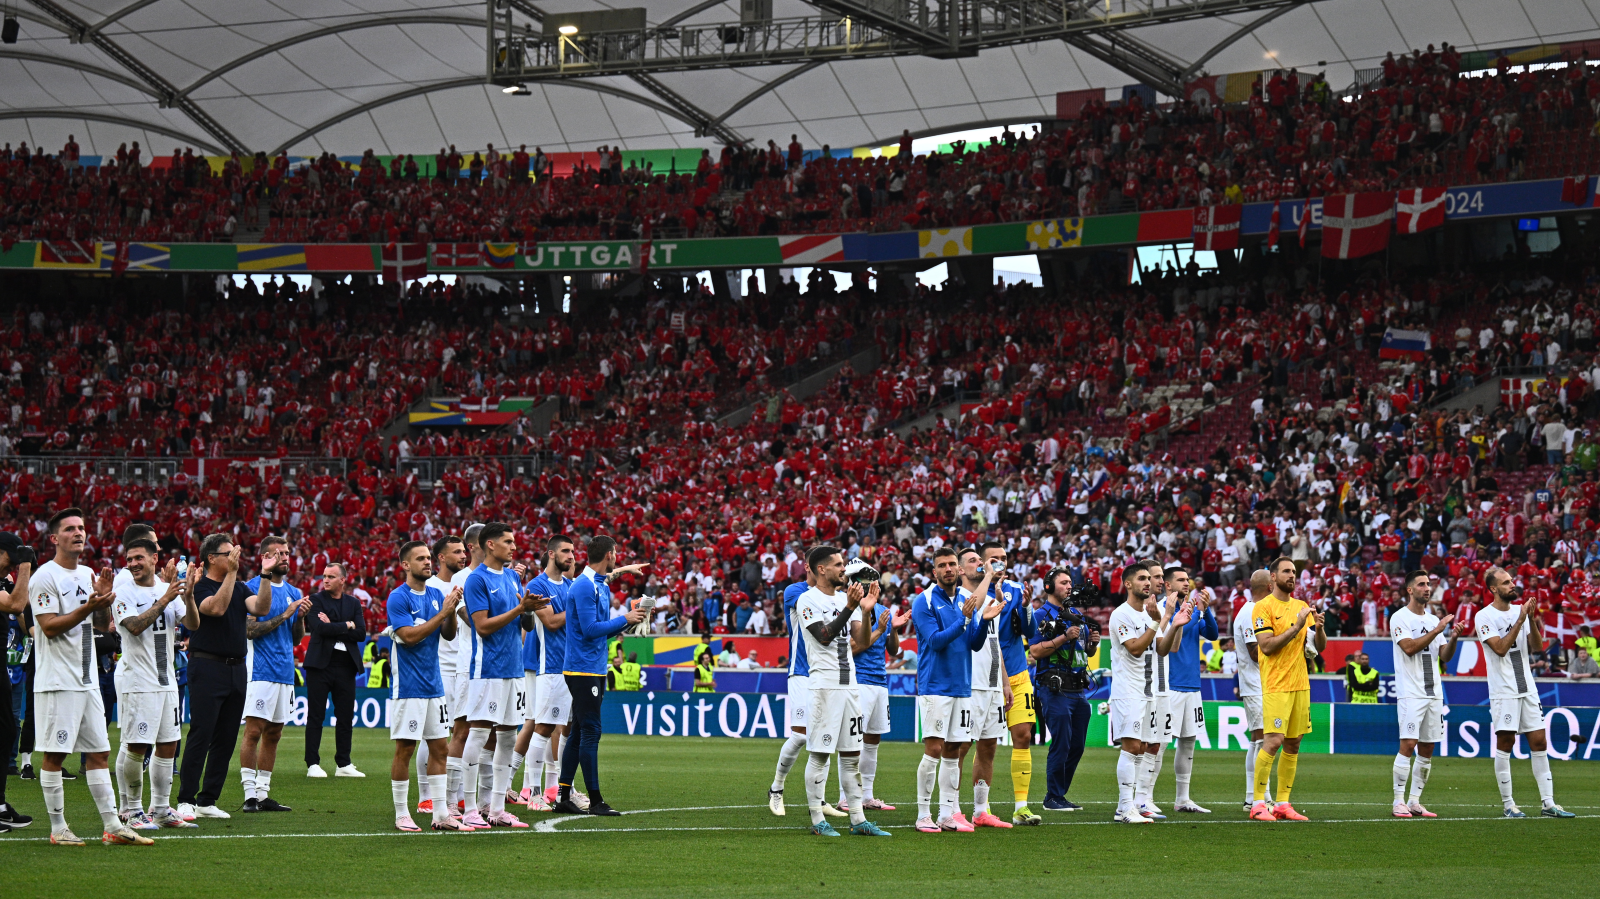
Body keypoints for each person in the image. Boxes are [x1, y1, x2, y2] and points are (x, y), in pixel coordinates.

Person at [32, 508, 150, 845]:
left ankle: (113, 826)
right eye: (70, 529)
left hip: (87, 679)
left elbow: (98, 628)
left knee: (99, 753)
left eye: (82, 528)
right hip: (58, 680)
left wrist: (101, 600)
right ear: (55, 538)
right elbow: (49, 626)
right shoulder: (45, 576)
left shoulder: (86, 573)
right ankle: (58, 829)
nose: (78, 533)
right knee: (55, 755)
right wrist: (87, 606)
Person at [794, 546, 891, 837]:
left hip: (851, 685)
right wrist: (850, 608)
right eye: (837, 565)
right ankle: (817, 821)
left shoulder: (843, 598)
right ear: (821, 569)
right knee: (821, 755)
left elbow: (861, 643)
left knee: (851, 756)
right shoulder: (807, 600)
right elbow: (823, 637)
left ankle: (859, 821)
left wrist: (865, 611)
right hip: (825, 685)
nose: (843, 570)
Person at [461, 522, 546, 828]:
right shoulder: (477, 580)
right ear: (490, 545)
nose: (513, 546)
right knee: (480, 734)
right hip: (489, 669)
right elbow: (482, 626)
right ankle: (470, 808)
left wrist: (529, 609)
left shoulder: (512, 577)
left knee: (508, 739)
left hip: (514, 668)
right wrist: (519, 607)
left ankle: (496, 808)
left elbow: (522, 625)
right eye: (508, 542)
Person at [554, 535, 645, 816]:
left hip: (592, 666)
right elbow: (591, 628)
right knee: (591, 730)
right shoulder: (584, 587)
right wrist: (624, 620)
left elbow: (601, 627)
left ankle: (564, 796)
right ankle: (595, 800)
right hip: (582, 668)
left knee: (580, 730)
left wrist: (631, 618)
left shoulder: (597, 584)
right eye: (616, 553)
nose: (617, 557)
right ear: (609, 554)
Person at [110, 542, 195, 830]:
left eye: (139, 558)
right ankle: (133, 811)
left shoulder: (166, 588)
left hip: (167, 680)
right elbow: (133, 625)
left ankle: (160, 808)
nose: (133, 563)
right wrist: (165, 599)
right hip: (139, 681)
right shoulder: (123, 592)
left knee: (168, 745)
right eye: (129, 559)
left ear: (154, 559)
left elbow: (193, 625)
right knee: (138, 746)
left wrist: (190, 597)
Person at [1477, 568, 1574, 818]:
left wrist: (1530, 618)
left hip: (1527, 687)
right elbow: (1499, 648)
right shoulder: (1484, 616)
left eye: (1511, 581)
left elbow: (1537, 647)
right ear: (1493, 589)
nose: (1512, 585)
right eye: (1506, 582)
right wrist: (1520, 619)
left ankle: (1548, 804)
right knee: (1506, 743)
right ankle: (1509, 805)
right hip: (1503, 689)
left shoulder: (1520, 610)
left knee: (1539, 742)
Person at [386, 540, 465, 832]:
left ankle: (441, 813)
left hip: (435, 686)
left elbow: (447, 635)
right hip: (409, 687)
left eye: (429, 557)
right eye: (420, 558)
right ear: (406, 565)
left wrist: (452, 610)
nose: (427, 562)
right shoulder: (398, 597)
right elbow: (408, 636)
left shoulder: (435, 594)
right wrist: (443, 613)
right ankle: (401, 813)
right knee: (405, 748)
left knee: (440, 749)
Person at [176, 532, 256, 823]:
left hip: (237, 667)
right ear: (212, 558)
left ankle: (208, 799)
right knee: (202, 732)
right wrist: (232, 576)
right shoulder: (198, 586)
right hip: (207, 666)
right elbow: (217, 608)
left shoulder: (241, 585)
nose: (234, 556)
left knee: (225, 738)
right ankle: (186, 798)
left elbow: (260, 608)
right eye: (228, 553)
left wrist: (269, 577)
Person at [909, 546, 989, 833]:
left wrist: (985, 620)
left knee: (953, 749)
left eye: (952, 564)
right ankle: (922, 815)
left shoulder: (968, 599)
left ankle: (946, 815)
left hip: (962, 685)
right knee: (934, 748)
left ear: (958, 569)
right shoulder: (924, 601)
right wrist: (965, 619)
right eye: (942, 565)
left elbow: (975, 643)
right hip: (935, 686)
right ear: (934, 571)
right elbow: (935, 641)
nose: (948, 569)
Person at [1248, 557, 1325, 822]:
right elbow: (1266, 646)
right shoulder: (1262, 608)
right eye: (1286, 571)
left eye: (1294, 572)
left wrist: (1320, 629)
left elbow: (1318, 648)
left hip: (1300, 684)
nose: (1292, 575)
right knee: (1273, 741)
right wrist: (1296, 626)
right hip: (1276, 685)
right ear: (1272, 577)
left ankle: (1282, 803)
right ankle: (1258, 803)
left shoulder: (1301, 606)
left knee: (1293, 743)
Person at [240, 536, 310, 813]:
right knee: (254, 731)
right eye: (279, 553)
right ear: (266, 556)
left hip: (284, 671)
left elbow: (295, 639)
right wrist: (286, 614)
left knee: (275, 733)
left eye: (288, 553)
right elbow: (250, 630)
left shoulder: (293, 591)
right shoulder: (251, 588)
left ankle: (263, 793)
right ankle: (248, 795)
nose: (285, 557)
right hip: (259, 671)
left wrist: (300, 616)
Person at [769, 560, 842, 819]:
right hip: (801, 671)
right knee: (801, 735)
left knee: (826, 736)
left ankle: (820, 798)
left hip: (826, 673)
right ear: (813, 568)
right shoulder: (795, 592)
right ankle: (776, 788)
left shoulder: (835, 596)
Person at [513, 534, 576, 812]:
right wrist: (578, 610)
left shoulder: (572, 585)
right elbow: (550, 622)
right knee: (542, 727)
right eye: (565, 551)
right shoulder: (537, 585)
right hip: (550, 667)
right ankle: (534, 793)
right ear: (551, 554)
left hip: (574, 666)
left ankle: (565, 789)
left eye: (573, 551)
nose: (571, 556)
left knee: (569, 728)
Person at [1389, 569, 1458, 818]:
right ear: (1410, 590)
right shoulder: (1400, 618)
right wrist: (1438, 630)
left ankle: (1415, 801)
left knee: (1427, 749)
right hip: (1411, 693)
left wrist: (1453, 638)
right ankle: (1398, 802)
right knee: (1408, 744)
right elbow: (1408, 648)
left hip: (1434, 693)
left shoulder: (1432, 620)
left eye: (1428, 584)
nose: (1427, 588)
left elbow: (1445, 657)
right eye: (1421, 584)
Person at [980, 542, 1041, 826]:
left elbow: (1030, 632)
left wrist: (1027, 607)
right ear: (981, 563)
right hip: (987, 676)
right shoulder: (973, 593)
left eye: (1004, 558)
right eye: (995, 558)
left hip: (1017, 673)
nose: (1002, 562)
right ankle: (983, 807)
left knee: (1023, 736)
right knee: (985, 744)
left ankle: (1021, 807)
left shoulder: (1017, 590)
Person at [1028, 567, 1097, 815]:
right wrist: (1063, 637)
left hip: (1078, 689)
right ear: (1049, 587)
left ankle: (1059, 794)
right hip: (1054, 688)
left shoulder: (1075, 615)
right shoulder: (1039, 615)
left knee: (1076, 745)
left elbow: (1083, 653)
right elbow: (1034, 652)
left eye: (1070, 582)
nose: (1069, 586)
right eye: (1064, 582)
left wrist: (1092, 645)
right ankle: (1053, 796)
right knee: (1062, 742)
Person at [838, 568, 906, 815]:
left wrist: (894, 629)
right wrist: (879, 628)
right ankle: (845, 796)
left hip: (880, 681)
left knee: (873, 739)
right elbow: (852, 648)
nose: (868, 584)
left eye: (871, 580)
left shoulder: (882, 609)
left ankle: (866, 795)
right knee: (853, 739)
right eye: (863, 580)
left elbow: (894, 650)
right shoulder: (851, 608)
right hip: (860, 680)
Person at [955, 548, 1013, 829]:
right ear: (959, 569)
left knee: (988, 746)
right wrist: (989, 575)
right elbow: (974, 609)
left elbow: (995, 643)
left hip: (991, 686)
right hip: (970, 684)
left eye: (982, 560)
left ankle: (980, 810)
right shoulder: (959, 599)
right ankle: (951, 808)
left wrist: (1005, 682)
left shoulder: (992, 599)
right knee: (960, 747)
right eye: (973, 561)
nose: (980, 564)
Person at [1158, 565, 1218, 814]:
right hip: (1170, 685)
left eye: (1188, 579)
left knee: (1188, 741)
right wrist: (1193, 614)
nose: (1187, 583)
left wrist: (1207, 610)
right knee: (1160, 742)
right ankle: (1145, 798)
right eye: (1181, 580)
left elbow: (1212, 634)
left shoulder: (1193, 610)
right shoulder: (1164, 609)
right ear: (1168, 585)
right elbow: (1171, 631)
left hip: (1192, 685)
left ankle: (1182, 799)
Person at [1107, 561, 1160, 825]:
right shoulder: (1121, 614)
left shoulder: (1149, 614)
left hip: (1146, 690)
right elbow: (1135, 649)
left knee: (1140, 748)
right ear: (1128, 584)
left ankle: (1131, 805)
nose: (1147, 582)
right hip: (1128, 690)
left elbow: (1162, 649)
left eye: (1149, 578)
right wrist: (1156, 621)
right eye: (1141, 578)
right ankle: (1124, 808)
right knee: (1130, 747)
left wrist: (1174, 622)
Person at [302, 563, 366, 780]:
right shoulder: (316, 600)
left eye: (331, 576)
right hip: (320, 665)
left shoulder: (353, 603)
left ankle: (344, 763)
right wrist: (346, 625)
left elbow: (360, 633)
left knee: (346, 716)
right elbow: (319, 628)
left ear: (342, 580)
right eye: (324, 576)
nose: (325, 580)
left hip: (346, 665)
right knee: (316, 715)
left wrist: (338, 626)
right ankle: (312, 763)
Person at [425, 534, 467, 821]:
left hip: (463, 665)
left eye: (464, 550)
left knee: (460, 732)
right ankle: (426, 796)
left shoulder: (464, 583)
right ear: (441, 557)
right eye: (456, 552)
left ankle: (457, 793)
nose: (462, 555)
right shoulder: (430, 586)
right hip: (439, 666)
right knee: (436, 734)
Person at [1134, 558, 1177, 819]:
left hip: (1162, 684)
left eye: (1162, 576)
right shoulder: (1144, 609)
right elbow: (1146, 644)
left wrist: (1178, 620)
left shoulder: (1164, 606)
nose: (1161, 581)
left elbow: (1170, 648)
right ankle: (1137, 800)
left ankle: (1145, 798)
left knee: (1158, 743)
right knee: (1142, 744)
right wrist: (1169, 615)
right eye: (1156, 576)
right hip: (1144, 686)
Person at [0, 531, 34, 832]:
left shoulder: (6, 584)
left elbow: (21, 614)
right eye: (13, 555)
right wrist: (25, 569)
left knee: (7, 728)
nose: (16, 561)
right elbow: (13, 605)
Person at [1231, 570, 1269, 812]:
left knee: (1259, 739)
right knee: (1264, 738)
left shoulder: (1257, 611)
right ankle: (1257, 797)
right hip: (1255, 684)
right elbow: (1255, 652)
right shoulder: (1250, 613)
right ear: (1268, 587)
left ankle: (1254, 797)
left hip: (1263, 683)